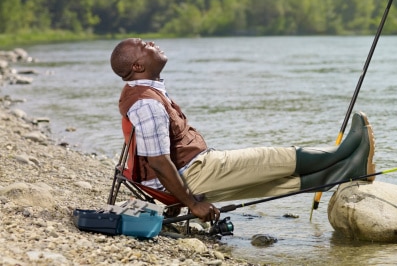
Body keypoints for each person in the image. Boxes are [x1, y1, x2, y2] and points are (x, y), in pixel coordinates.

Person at [110, 38, 376, 223]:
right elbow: (157, 161)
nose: (152, 44)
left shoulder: (144, 93)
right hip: (193, 173)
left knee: (273, 183)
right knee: (275, 158)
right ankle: (344, 153)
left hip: (191, 171)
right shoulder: (146, 102)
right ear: (138, 66)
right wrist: (192, 204)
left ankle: (349, 170)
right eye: (145, 46)